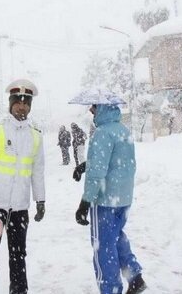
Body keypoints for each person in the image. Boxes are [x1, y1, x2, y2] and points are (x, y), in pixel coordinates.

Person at [0, 79, 46, 294]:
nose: (22, 106)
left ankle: (19, 291)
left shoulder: (36, 136)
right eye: (18, 102)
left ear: (30, 106)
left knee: (18, 256)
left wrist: (40, 200)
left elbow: (38, 171)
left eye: (26, 103)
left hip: (20, 208)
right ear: (11, 104)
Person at [73, 103, 146, 294]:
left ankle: (111, 290)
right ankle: (135, 276)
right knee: (115, 237)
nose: (91, 110)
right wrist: (84, 166)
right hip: (123, 198)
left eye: (94, 107)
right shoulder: (123, 130)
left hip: (105, 200)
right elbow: (114, 161)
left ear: (103, 108)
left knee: (103, 247)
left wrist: (85, 202)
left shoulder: (102, 133)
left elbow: (98, 171)